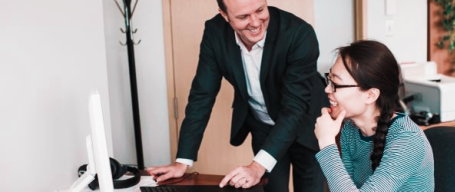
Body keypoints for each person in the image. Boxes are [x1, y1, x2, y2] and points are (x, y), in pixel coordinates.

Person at [147, 0, 329, 191]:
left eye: (260, 10)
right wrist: (182, 162)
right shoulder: (215, 32)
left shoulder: (299, 32)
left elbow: (294, 107)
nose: (256, 22)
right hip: (263, 126)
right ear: (224, 15)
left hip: (307, 125)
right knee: (270, 189)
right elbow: (202, 96)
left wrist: (257, 166)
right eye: (243, 17)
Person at [314, 40, 435, 191]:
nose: (327, 89)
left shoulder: (408, 139)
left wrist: (326, 143)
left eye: (335, 84)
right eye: (329, 79)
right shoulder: (350, 130)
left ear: (370, 95)